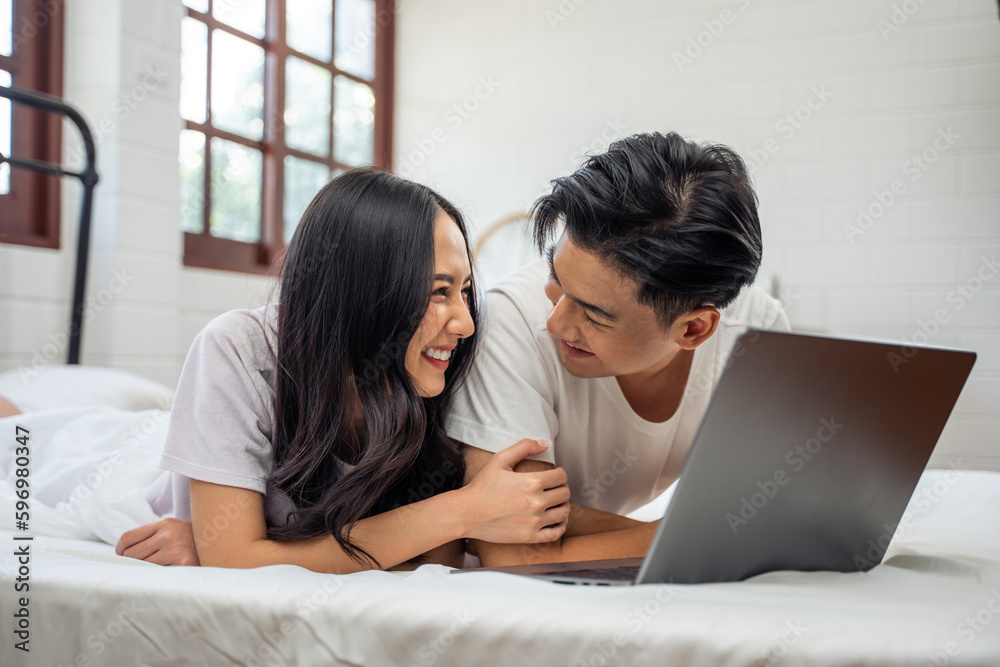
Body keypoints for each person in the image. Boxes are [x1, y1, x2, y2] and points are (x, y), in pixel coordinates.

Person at [24, 168, 571, 571]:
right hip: (120, 463)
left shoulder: (432, 368)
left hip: (178, 447)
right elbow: (236, 559)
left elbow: (432, 554)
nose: (465, 323)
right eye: (438, 292)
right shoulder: (238, 348)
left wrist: (255, 545)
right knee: (31, 434)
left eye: (466, 291)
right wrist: (463, 511)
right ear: (365, 291)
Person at [449, 131, 791, 566]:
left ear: (694, 330)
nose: (554, 322)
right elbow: (513, 553)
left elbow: (772, 515)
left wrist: (727, 532)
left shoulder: (755, 336)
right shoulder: (509, 322)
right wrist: (698, 537)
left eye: (594, 314)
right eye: (556, 280)